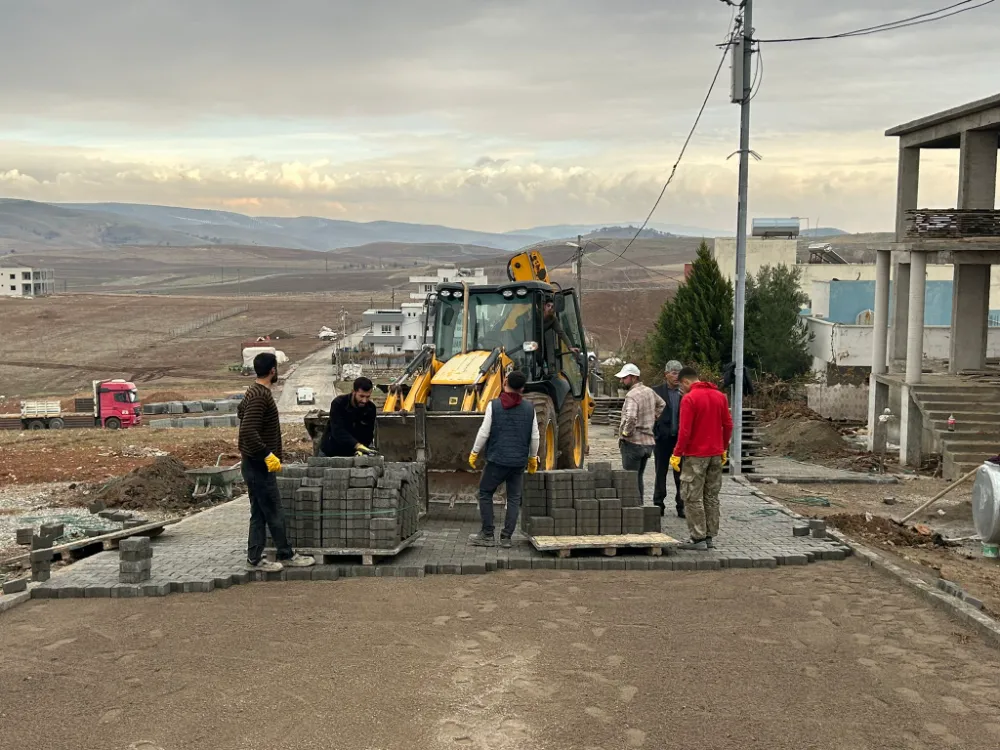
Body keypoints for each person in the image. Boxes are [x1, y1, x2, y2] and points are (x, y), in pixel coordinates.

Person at [238, 352, 315, 572]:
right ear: (273, 370)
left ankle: (254, 559)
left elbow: (241, 412)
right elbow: (248, 430)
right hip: (257, 465)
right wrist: (266, 453)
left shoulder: (253, 392)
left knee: (260, 512)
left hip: (253, 463)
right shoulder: (260, 395)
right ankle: (286, 554)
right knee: (273, 510)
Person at [467, 370, 539, 549]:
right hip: (518, 463)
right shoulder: (530, 409)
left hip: (497, 460)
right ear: (522, 388)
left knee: (485, 493)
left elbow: (484, 432)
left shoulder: (494, 405)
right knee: (514, 498)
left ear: (505, 382)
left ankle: (487, 534)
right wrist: (532, 458)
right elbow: (535, 436)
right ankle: (506, 538)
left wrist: (475, 452)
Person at [670, 366, 733, 551]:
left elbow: (685, 431)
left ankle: (698, 538)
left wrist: (677, 453)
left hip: (695, 457)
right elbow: (728, 424)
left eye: (681, 386)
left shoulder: (689, 399)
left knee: (692, 497)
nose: (681, 390)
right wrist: (723, 448)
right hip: (715, 455)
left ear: (686, 381)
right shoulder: (720, 396)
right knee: (711, 496)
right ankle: (709, 536)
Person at [615, 363, 665, 503]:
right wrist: (653, 416)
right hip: (648, 443)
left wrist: (626, 433)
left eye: (624, 378)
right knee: (638, 478)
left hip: (633, 443)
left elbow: (630, 417)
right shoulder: (649, 391)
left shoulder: (632, 395)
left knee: (630, 479)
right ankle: (640, 507)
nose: (621, 381)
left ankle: (633, 511)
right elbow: (662, 404)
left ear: (633, 377)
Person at [652, 360, 684, 518]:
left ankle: (682, 504)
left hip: (680, 440)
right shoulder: (656, 392)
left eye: (679, 372)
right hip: (662, 439)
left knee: (681, 474)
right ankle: (658, 503)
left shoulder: (685, 393)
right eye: (673, 372)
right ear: (666, 374)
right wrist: (655, 432)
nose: (677, 376)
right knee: (660, 472)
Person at [320, 376, 378, 457]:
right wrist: (357, 446)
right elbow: (338, 431)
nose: (364, 400)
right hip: (331, 450)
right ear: (353, 391)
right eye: (361, 396)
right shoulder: (338, 403)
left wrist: (362, 448)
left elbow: (368, 434)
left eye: (367, 397)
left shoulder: (371, 409)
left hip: (354, 453)